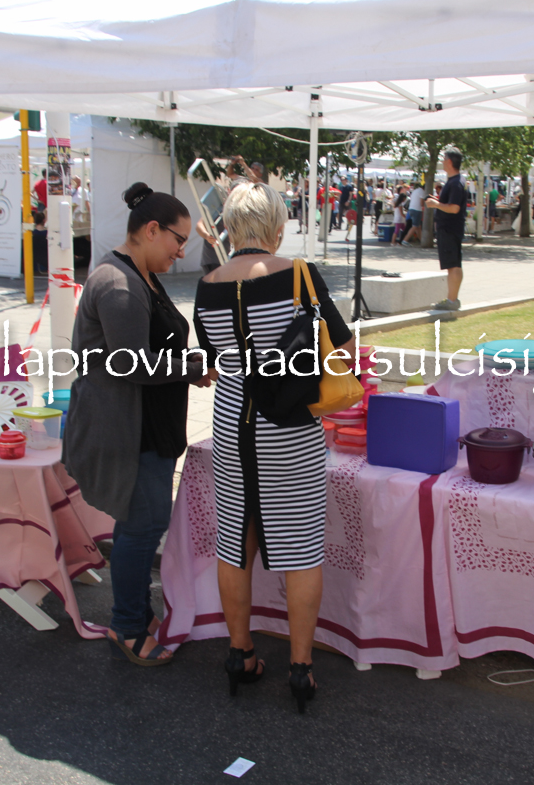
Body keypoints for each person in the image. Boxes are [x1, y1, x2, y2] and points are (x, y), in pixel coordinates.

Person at [193, 181, 354, 712]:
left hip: (230, 425)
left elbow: (214, 359)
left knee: (235, 541)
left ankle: (240, 653)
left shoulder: (208, 285)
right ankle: (300, 668)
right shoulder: (298, 274)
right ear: (277, 228)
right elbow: (342, 343)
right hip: (288, 426)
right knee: (301, 547)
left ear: (229, 228)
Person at [62, 182, 211, 667]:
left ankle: (137, 612)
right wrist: (191, 367)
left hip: (146, 425)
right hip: (130, 430)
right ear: (151, 230)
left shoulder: (139, 274)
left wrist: (190, 364)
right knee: (142, 527)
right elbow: (132, 365)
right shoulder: (119, 283)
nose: (181, 250)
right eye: (178, 239)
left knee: (145, 524)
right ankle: (126, 625)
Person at [425, 149, 467, 311]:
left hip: (449, 228)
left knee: (453, 265)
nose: (442, 162)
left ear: (449, 162)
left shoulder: (455, 183)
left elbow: (454, 208)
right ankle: (452, 299)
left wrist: (436, 204)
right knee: (454, 264)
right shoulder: (456, 181)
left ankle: (452, 300)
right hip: (451, 228)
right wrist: (438, 201)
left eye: (444, 159)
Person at [401, 181, 425, 246]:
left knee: (418, 226)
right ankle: (405, 240)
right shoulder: (422, 192)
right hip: (417, 210)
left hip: (411, 209)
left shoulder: (415, 191)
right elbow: (421, 203)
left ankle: (422, 240)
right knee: (415, 226)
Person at [31, 209, 48, 275]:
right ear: (44, 220)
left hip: (36, 259)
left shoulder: (32, 234)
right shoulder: (47, 234)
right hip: (47, 258)